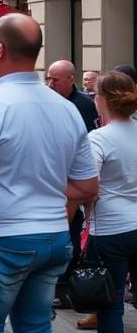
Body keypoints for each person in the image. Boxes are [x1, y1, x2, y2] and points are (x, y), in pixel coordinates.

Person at [0, 13, 98, 333]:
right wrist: (40, 187)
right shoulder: (65, 108)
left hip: (2, 238)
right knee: (35, 326)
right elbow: (88, 186)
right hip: (53, 238)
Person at [82, 70, 137, 333]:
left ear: (102, 99)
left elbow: (88, 186)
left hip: (110, 228)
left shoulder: (98, 138)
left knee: (112, 302)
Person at [46, 59, 100, 308]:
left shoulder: (83, 105)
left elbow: (88, 146)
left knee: (71, 231)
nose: (50, 83)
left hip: (73, 181)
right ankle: (58, 283)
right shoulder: (49, 102)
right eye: (48, 78)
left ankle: (64, 285)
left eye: (55, 79)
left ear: (70, 79)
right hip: (53, 177)